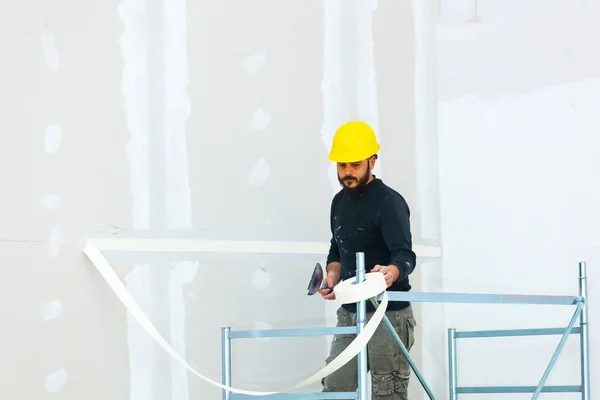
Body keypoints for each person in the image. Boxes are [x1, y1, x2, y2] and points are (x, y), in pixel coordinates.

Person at [320, 121, 418, 399]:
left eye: (355, 164)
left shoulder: (389, 202)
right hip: (350, 311)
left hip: (388, 314)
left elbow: (405, 253)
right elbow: (336, 251)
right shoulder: (339, 202)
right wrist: (331, 276)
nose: (347, 172)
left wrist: (392, 271)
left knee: (387, 393)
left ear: (372, 162)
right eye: (342, 165)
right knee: (335, 387)